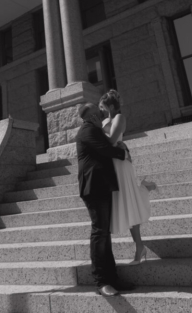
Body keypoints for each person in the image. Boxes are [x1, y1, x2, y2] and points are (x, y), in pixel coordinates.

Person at [76, 102, 135, 297]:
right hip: (94, 188)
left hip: (102, 186)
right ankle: (101, 282)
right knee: (100, 232)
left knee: (104, 233)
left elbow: (108, 143)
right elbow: (105, 149)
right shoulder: (88, 130)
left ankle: (112, 279)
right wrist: (123, 153)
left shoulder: (95, 129)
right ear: (91, 116)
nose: (101, 114)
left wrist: (119, 144)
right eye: (98, 113)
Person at [99, 89, 155, 263]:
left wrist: (96, 136)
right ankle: (140, 247)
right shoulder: (105, 120)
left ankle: (144, 188)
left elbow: (111, 141)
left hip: (121, 165)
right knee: (126, 204)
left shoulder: (119, 118)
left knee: (128, 202)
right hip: (112, 163)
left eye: (102, 106)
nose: (100, 110)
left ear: (109, 106)